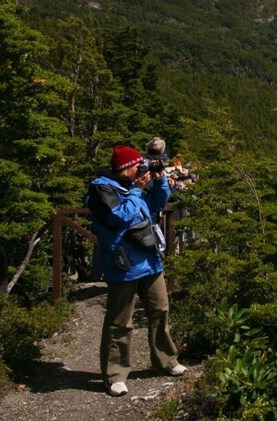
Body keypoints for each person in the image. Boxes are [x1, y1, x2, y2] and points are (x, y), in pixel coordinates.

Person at [86, 145, 186, 397]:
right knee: (120, 320)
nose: (141, 169)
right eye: (136, 166)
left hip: (150, 259)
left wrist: (160, 181)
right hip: (124, 262)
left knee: (160, 310)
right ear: (123, 169)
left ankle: (166, 361)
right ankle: (115, 374)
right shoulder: (102, 189)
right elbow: (121, 217)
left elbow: (157, 203)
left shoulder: (132, 187)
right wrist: (137, 190)